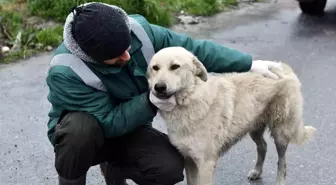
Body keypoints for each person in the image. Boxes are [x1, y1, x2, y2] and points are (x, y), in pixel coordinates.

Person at [45, 2, 282, 185]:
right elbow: (109, 123)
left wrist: (248, 63)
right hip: (90, 135)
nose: (127, 56)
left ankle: (115, 166)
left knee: (167, 168)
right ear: (93, 56)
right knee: (80, 131)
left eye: (127, 47)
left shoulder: (139, 30)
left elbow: (192, 51)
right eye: (117, 55)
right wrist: (150, 102)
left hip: (131, 126)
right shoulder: (65, 70)